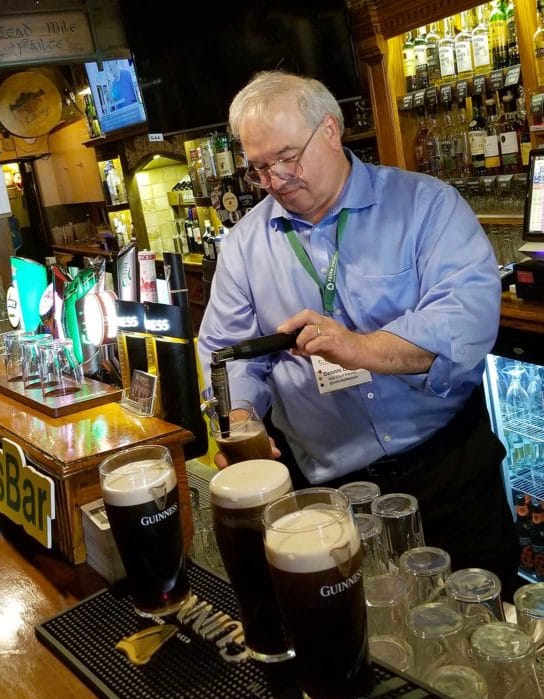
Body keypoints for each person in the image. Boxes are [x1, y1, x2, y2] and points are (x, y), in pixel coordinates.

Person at [197, 71, 520, 598]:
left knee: (482, 620)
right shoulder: (243, 245)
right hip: (331, 493)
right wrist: (239, 418)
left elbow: (467, 318)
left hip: (447, 470)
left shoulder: (425, 205)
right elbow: (227, 354)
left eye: (287, 157)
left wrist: (360, 348)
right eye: (259, 168)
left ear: (331, 129)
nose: (276, 179)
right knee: (370, 635)